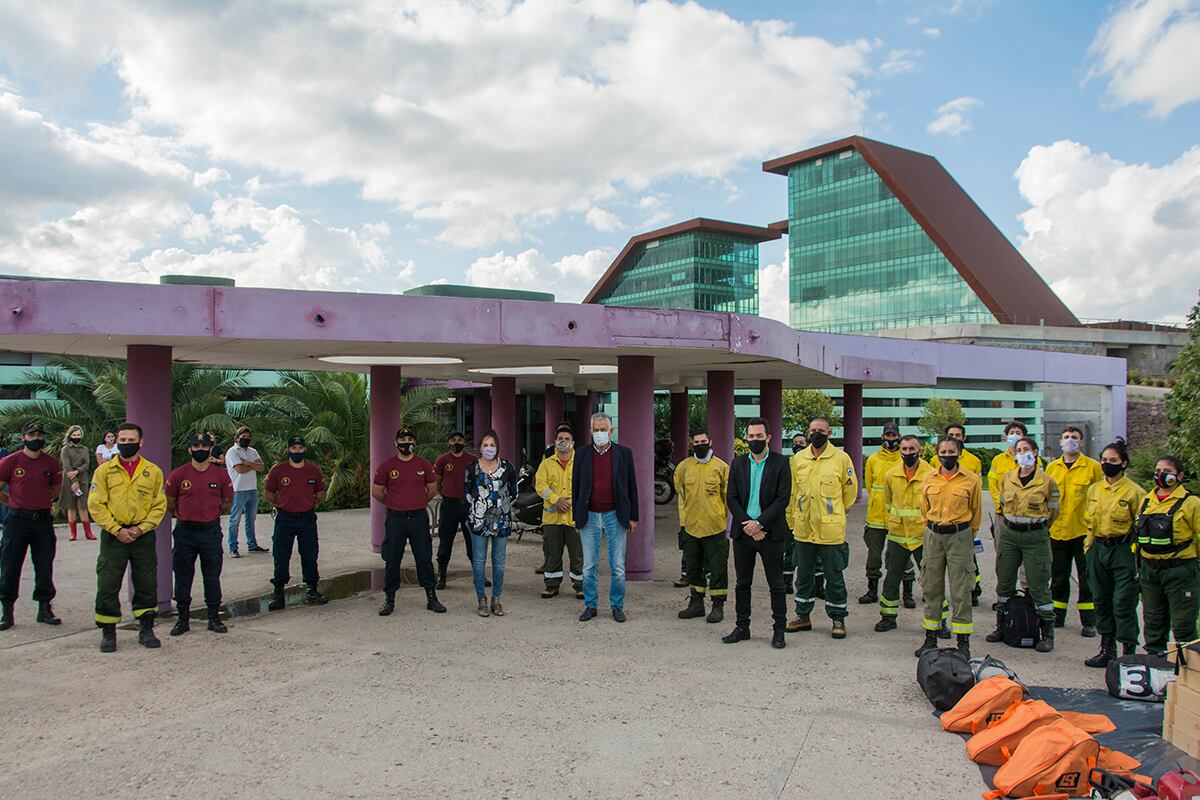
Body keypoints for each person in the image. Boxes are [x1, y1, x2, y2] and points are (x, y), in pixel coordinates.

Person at [88, 422, 167, 652]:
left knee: (146, 581)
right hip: (115, 536)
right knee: (108, 582)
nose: (126, 444)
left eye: (131, 441)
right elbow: (96, 505)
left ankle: (146, 628)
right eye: (122, 441)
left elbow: (159, 505)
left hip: (142, 535)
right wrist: (116, 529)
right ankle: (108, 632)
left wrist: (142, 528)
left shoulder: (152, 471)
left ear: (140, 443)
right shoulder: (104, 471)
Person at [986, 436, 1060, 653]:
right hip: (1009, 535)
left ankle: (1047, 632)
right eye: (1019, 450)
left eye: (1026, 449)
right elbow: (1002, 504)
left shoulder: (1047, 481)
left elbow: (1054, 511)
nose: (1022, 453)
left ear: (1035, 452)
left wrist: (1036, 527)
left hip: (1035, 537)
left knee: (1038, 585)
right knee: (1005, 581)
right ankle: (1003, 624)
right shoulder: (1007, 478)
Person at [787, 417, 858, 639]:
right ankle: (803, 616)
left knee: (834, 575)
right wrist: (791, 520)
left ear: (830, 433)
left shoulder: (841, 459)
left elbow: (850, 493)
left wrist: (836, 514)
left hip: (830, 531)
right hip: (803, 529)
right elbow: (792, 493)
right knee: (804, 575)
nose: (816, 433)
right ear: (808, 433)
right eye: (813, 430)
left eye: (821, 430)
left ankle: (838, 618)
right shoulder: (798, 459)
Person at [723, 418, 791, 648]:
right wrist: (748, 525)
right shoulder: (738, 463)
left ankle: (779, 630)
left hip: (770, 534)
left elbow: (783, 499)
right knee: (742, 583)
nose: (754, 440)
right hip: (744, 534)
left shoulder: (781, 463)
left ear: (768, 438)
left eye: (758, 436)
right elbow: (731, 497)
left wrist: (760, 524)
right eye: (750, 436)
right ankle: (742, 627)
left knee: (777, 585)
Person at [914, 436, 983, 659]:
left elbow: (976, 511)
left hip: (959, 536)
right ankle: (930, 638)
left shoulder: (971, 480)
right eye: (943, 452)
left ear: (959, 453)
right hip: (934, 535)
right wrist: (931, 528)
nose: (947, 456)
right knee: (931, 587)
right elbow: (924, 509)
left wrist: (966, 535)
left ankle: (963, 643)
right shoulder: (928, 479)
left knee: (961, 589)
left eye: (951, 451)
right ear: (937, 454)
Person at [1082, 440, 1145, 667]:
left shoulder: (1135, 492)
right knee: (1101, 600)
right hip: (1099, 548)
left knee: (1123, 602)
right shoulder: (1095, 489)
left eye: (1113, 461)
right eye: (1105, 460)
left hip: (1123, 550)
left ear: (1124, 464)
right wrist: (1089, 549)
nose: (1107, 464)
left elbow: (1142, 526)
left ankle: (1128, 651)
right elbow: (1090, 521)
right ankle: (1107, 648)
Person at [572, 412, 638, 623]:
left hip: (615, 515)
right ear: (590, 431)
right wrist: (576, 517)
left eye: (603, 429)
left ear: (611, 431)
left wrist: (633, 516)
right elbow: (576, 487)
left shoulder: (624, 453)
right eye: (596, 429)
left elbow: (632, 486)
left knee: (617, 565)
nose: (600, 433)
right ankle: (590, 605)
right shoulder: (581, 454)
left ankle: (617, 606)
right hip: (589, 516)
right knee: (589, 565)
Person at [165, 433, 233, 636]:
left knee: (212, 575)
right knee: (183, 575)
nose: (201, 449)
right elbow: (170, 503)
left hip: (210, 531)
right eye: (197, 446)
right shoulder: (178, 474)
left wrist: (209, 516)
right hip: (185, 531)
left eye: (205, 446)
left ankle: (214, 617)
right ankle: (182, 619)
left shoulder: (220, 475)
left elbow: (226, 503)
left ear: (211, 449)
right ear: (190, 449)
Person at [373, 427, 445, 616]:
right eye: (402, 439)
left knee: (424, 558)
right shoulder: (387, 466)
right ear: (396, 443)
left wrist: (417, 502)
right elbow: (377, 492)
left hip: (418, 519)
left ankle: (431, 597)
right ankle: (389, 599)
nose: (406, 442)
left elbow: (432, 489)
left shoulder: (423, 465)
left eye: (410, 439)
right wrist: (394, 503)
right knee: (392, 559)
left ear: (415, 442)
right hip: (396, 519)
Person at [0, 422, 64, 630]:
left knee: (45, 564)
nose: (36, 437)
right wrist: (11, 502)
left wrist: (41, 500)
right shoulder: (11, 461)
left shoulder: (51, 463)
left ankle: (45, 608)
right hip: (17, 520)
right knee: (10, 565)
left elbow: (55, 490)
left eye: (40, 434)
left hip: (43, 520)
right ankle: (7, 611)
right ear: (23, 437)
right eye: (32, 434)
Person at [1135, 455, 1200, 657]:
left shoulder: (1191, 503)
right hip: (1150, 571)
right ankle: (1156, 666)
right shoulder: (1147, 500)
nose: (1161, 475)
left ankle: (1188, 676)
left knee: (1183, 625)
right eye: (1157, 470)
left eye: (1167, 471)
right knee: (1153, 623)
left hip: (1180, 572)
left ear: (1179, 475)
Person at [1045, 426, 1104, 637]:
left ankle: (1089, 621)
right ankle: (1057, 616)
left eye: (1074, 438)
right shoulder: (1052, 468)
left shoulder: (1093, 468)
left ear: (1081, 442)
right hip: (1057, 531)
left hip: (1083, 532)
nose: (1070, 440)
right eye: (1067, 437)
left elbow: (1100, 496)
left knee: (1086, 578)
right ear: (1060, 442)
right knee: (1058, 577)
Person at [875, 434, 933, 632]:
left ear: (920, 450)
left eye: (912, 449)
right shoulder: (891, 474)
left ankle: (938, 621)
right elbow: (889, 503)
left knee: (931, 580)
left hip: (922, 535)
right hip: (898, 535)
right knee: (891, 578)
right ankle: (888, 617)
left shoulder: (931, 475)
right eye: (904, 449)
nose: (908, 453)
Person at [263, 436, 328, 611]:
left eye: (300, 448)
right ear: (288, 450)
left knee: (310, 553)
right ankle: (279, 593)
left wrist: (307, 502)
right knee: (281, 555)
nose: (297, 451)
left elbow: (320, 494)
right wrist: (282, 502)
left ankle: (312, 590)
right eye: (294, 448)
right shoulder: (279, 470)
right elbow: (268, 494)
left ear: (304, 449)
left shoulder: (313, 470)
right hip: (285, 519)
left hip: (306, 518)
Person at [675, 429, 730, 624]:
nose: (700, 444)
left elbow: (727, 496)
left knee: (718, 568)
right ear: (692, 444)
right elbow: (681, 495)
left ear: (710, 441)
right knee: (693, 567)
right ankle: (696, 604)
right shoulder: (684, 467)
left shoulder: (721, 467)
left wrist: (719, 516)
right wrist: (684, 522)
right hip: (691, 527)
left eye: (703, 441)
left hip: (715, 527)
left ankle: (717, 606)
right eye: (696, 442)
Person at [464, 430, 518, 618]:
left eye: (492, 445)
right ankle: (481, 599)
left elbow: (513, 492)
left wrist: (499, 507)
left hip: (501, 521)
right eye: (485, 445)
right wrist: (481, 508)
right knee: (479, 562)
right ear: (480, 447)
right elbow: (467, 493)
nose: (489, 448)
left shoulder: (508, 467)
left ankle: (496, 599)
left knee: (499, 563)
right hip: (478, 522)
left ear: (498, 447)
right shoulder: (472, 468)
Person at [933, 423, 984, 606]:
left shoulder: (974, 461)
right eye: (950, 434)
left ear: (964, 438)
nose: (954, 437)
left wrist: (972, 530)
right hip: (940, 524)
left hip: (962, 527)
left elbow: (976, 505)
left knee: (969, 564)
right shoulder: (934, 460)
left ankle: (973, 591)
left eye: (957, 435)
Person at [860, 422, 908, 606]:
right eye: (887, 436)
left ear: (898, 437)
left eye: (893, 436)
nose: (890, 439)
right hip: (876, 517)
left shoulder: (903, 458)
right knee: (874, 556)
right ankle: (872, 591)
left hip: (899, 517)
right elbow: (870, 486)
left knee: (902, 556)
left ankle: (907, 593)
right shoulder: (873, 459)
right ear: (882, 437)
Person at [535, 423, 582, 600]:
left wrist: (571, 501)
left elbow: (586, 485)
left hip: (574, 518)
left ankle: (580, 586)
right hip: (552, 518)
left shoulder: (581, 462)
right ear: (555, 441)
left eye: (567, 439)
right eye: (560, 439)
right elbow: (540, 486)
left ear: (573, 442)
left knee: (577, 555)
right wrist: (556, 499)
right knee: (552, 554)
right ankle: (552, 586)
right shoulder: (546, 464)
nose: (563, 442)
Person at [434, 430, 478, 589]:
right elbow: (437, 483)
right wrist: (447, 494)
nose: (457, 442)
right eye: (453, 440)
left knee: (473, 541)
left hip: (468, 506)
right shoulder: (442, 460)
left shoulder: (472, 459)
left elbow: (476, 481)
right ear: (448, 443)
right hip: (449, 505)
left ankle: (478, 575)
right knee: (445, 541)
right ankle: (442, 576)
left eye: (460, 439)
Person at [224, 425, 267, 558]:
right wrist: (253, 465)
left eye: (248, 437)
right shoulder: (232, 452)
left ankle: (252, 544)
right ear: (237, 438)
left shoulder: (252, 451)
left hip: (252, 489)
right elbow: (239, 469)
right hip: (238, 490)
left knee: (251, 519)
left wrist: (247, 463)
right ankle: (233, 547)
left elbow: (261, 467)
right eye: (243, 437)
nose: (246, 439)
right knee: (235, 519)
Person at [58, 424, 95, 541]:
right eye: (74, 435)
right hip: (69, 480)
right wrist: (73, 479)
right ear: (70, 436)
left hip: (83, 479)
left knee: (83, 505)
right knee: (71, 506)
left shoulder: (84, 449)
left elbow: (86, 464)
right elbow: (66, 465)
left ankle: (88, 532)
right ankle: (73, 533)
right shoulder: (65, 449)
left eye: (78, 435)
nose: (76, 437)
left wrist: (77, 472)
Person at [783, 432, 808, 595]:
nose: (798, 445)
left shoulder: (812, 461)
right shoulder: (786, 463)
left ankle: (817, 586)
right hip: (789, 517)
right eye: (795, 442)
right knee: (789, 553)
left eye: (801, 442)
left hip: (809, 517)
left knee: (813, 555)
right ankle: (787, 584)